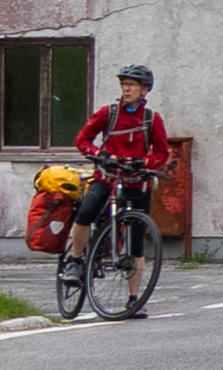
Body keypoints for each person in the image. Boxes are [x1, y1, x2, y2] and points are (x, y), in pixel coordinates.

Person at [70, 62, 172, 258]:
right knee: (85, 214)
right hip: (106, 178)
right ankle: (75, 260)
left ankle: (135, 290)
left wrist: (143, 162)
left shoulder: (152, 119)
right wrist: (101, 155)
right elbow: (82, 140)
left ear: (144, 89)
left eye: (132, 84)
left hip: (137, 183)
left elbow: (161, 153)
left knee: (137, 243)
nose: (126, 88)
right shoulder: (108, 113)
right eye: (124, 83)